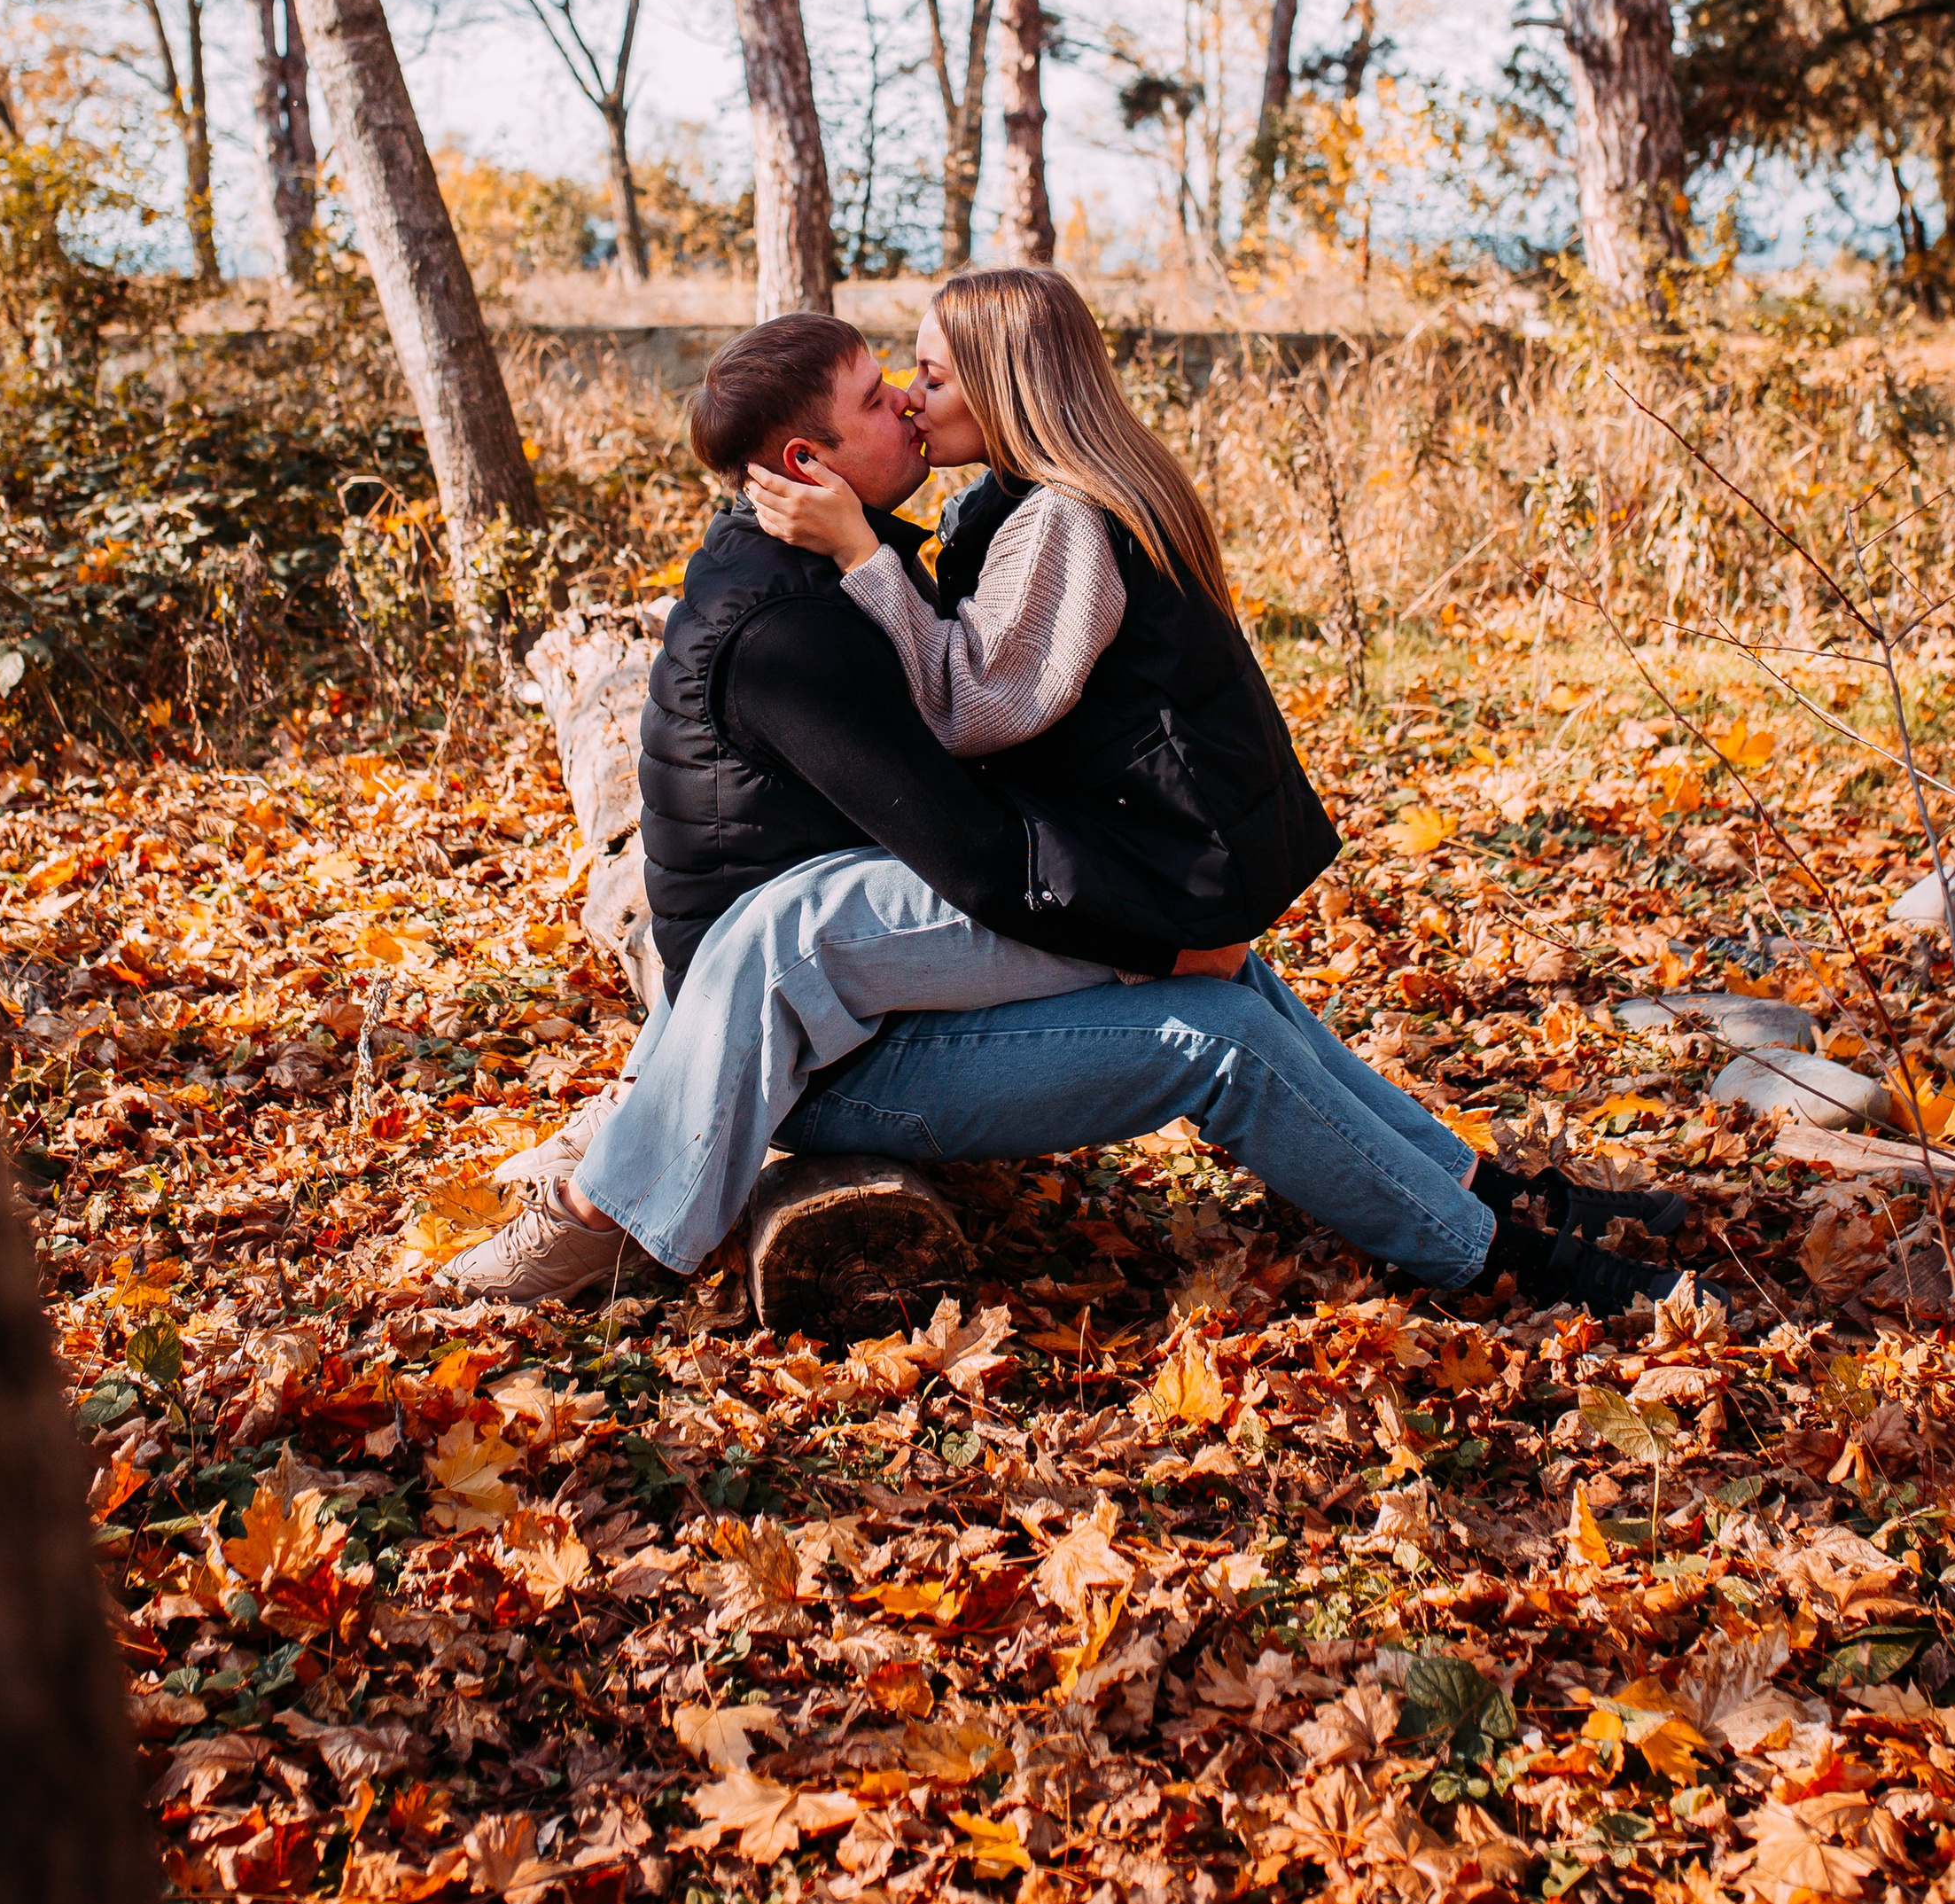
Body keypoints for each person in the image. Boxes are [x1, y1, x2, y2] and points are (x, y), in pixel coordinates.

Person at [441, 287, 1697, 1321]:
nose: (909, 404)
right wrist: (1158, 936)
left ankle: (1492, 1191)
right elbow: (976, 840)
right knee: (1218, 1027)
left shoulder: (888, 552)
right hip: (825, 1059)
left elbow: (972, 768)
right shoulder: (794, 626)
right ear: (804, 462)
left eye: (918, 379)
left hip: (857, 1002)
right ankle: (1507, 1260)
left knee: (1234, 991)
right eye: (888, 393)